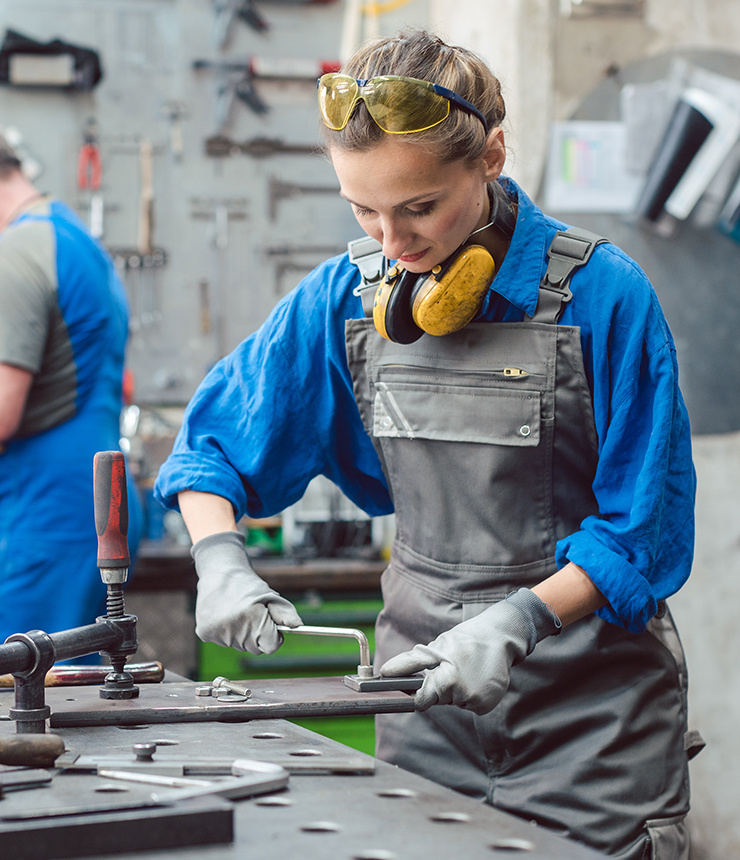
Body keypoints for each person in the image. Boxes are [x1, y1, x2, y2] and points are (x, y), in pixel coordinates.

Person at [155, 29, 698, 859]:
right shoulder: (347, 295)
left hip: (595, 724)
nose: (393, 242)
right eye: (363, 211)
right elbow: (212, 445)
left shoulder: (602, 294)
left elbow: (645, 528)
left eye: (418, 208)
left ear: (490, 157)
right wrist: (219, 560)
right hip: (421, 706)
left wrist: (515, 622)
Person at [0, 135, 141, 642]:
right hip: (94, 499)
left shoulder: (15, 252)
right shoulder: (71, 237)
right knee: (68, 694)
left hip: (47, 511)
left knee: (24, 698)